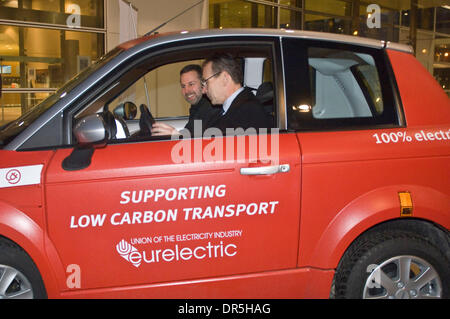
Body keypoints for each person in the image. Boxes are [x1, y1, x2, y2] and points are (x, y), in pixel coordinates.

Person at [201, 53, 272, 132]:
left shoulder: (248, 113)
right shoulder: (234, 108)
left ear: (225, 78)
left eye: (206, 82)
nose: (203, 91)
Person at [151, 64, 219, 136]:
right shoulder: (197, 108)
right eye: (183, 86)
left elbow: (198, 143)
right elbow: (191, 133)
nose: (187, 91)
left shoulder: (210, 109)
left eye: (191, 84)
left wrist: (175, 134)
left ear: (203, 83)